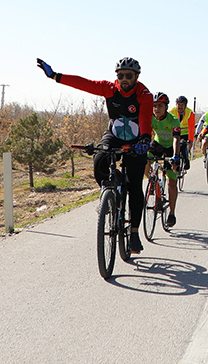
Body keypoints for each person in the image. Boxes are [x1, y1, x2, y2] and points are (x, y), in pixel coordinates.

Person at [37, 56, 152, 253]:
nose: (124, 79)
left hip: (136, 139)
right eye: (120, 75)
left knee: (135, 186)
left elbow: (145, 119)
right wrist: (56, 76)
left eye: (129, 76)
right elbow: (84, 83)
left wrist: (144, 141)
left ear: (137, 77)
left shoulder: (144, 94)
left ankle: (133, 233)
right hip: (114, 135)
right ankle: (109, 190)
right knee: (99, 158)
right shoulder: (109, 88)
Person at [148, 92, 182, 227]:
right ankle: (153, 183)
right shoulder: (151, 117)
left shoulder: (173, 119)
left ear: (166, 107)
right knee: (144, 160)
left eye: (160, 106)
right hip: (157, 144)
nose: (157, 109)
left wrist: (176, 155)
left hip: (170, 147)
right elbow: (147, 133)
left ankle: (172, 213)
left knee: (171, 183)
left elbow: (176, 138)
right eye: (154, 106)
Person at [169, 96, 195, 170]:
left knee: (183, 145)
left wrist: (190, 141)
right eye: (178, 104)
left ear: (185, 106)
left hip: (185, 133)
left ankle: (186, 160)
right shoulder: (172, 111)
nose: (180, 106)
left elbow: (191, 128)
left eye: (182, 105)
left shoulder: (189, 113)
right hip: (174, 133)